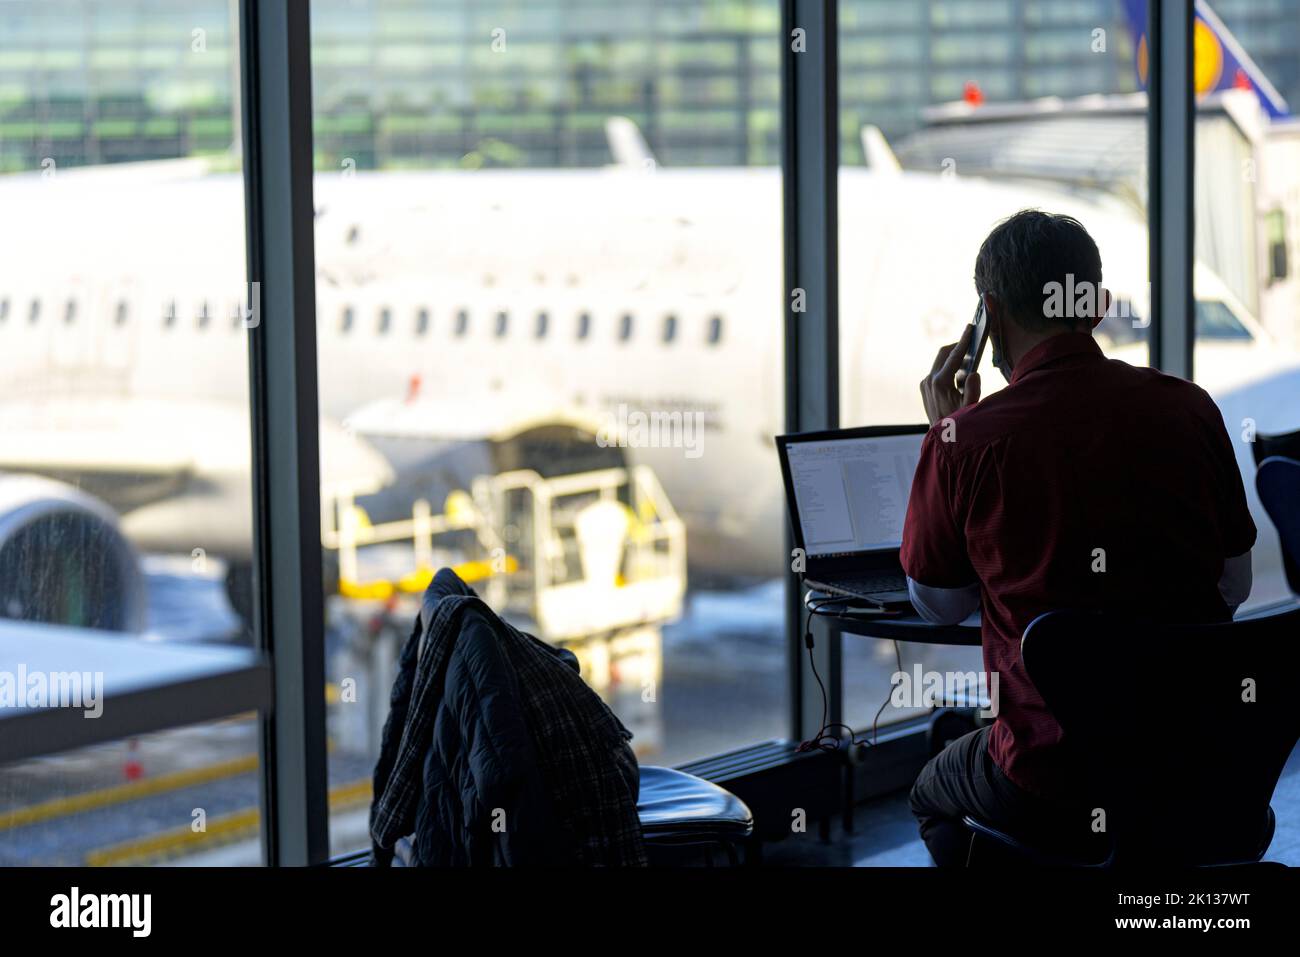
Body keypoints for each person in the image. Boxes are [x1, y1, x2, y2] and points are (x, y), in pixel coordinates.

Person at [902, 209, 1256, 866]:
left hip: (1053, 778)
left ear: (988, 316)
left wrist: (944, 430)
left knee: (931, 790)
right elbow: (1234, 584)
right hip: (1201, 764)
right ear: (1094, 308)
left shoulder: (969, 440)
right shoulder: (1190, 407)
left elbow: (939, 602)